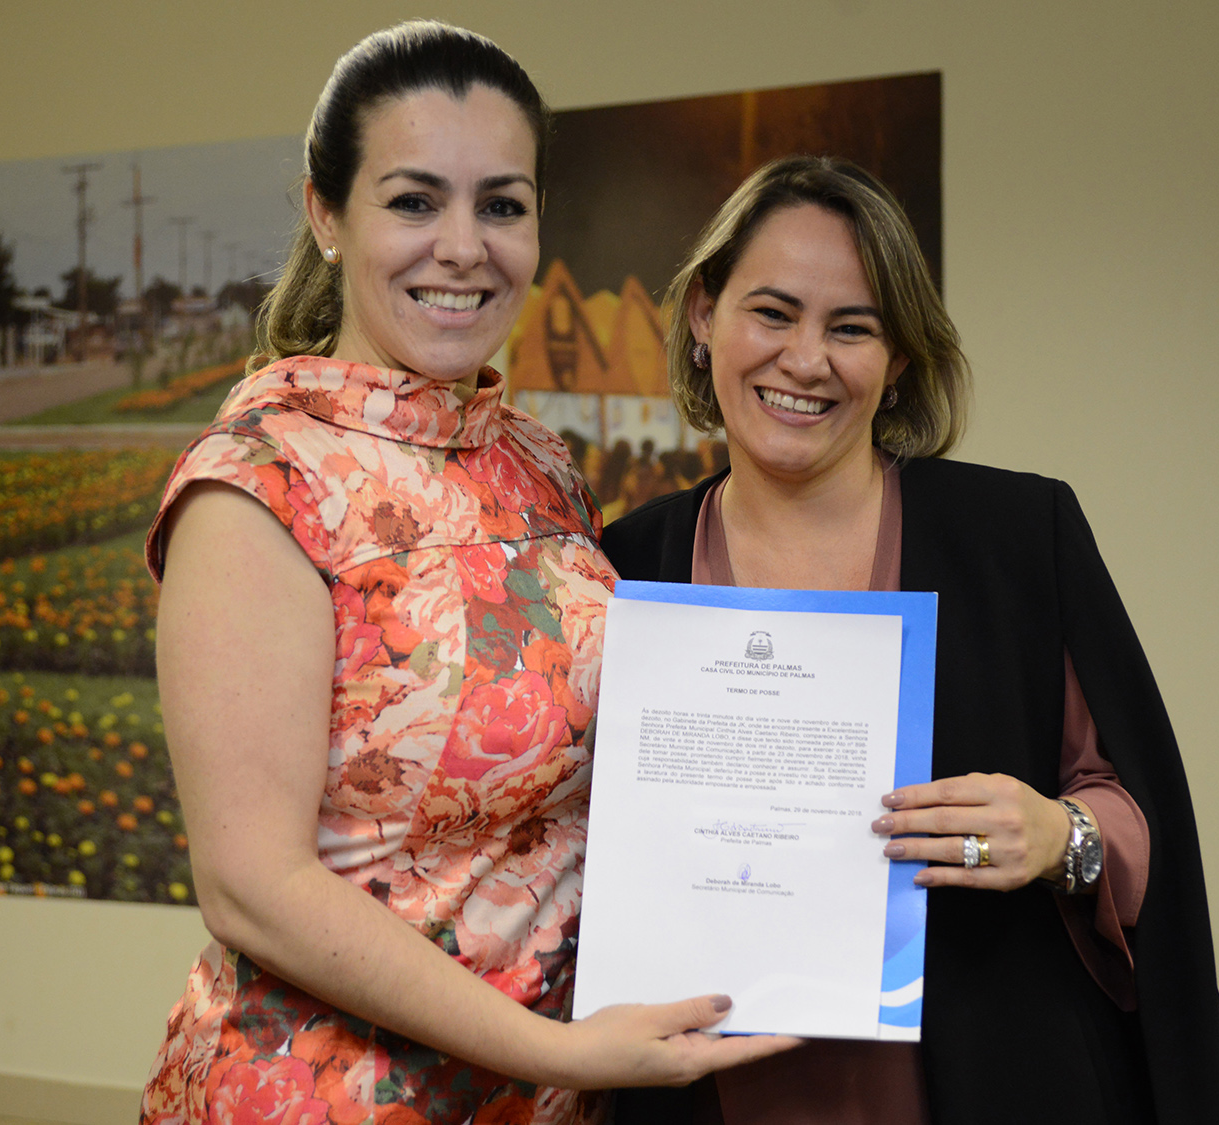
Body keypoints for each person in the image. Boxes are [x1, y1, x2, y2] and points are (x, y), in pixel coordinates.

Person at [136, 23, 793, 1124]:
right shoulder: (259, 482)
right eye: (413, 201)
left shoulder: (537, 465)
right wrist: (556, 1050)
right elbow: (251, 888)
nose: (462, 247)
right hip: (326, 1097)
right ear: (326, 216)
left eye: (500, 205)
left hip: (544, 1092)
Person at [601, 156, 1219, 1125]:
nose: (805, 360)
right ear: (704, 316)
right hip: (706, 1093)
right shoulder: (623, 564)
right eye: (772, 313)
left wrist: (1058, 836)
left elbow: (1134, 808)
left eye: (852, 328)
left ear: (899, 359)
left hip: (996, 1080)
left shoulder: (1016, 537)